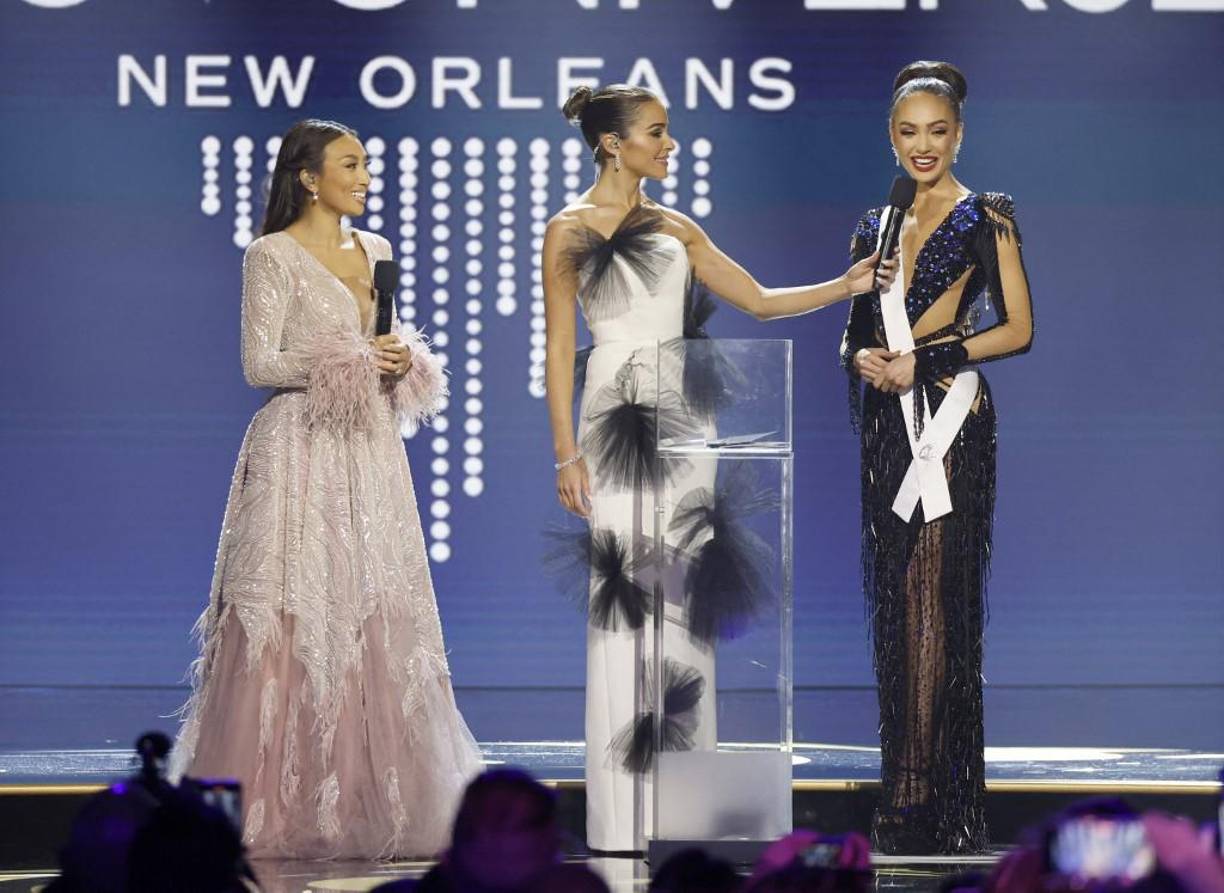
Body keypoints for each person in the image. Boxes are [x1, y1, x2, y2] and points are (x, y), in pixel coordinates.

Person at [543, 84, 896, 853]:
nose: (670, 145)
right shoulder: (566, 230)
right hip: (613, 416)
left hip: (686, 417)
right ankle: (620, 814)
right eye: (657, 133)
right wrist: (565, 451)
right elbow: (558, 347)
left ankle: (679, 806)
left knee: (680, 599)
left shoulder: (676, 226)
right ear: (612, 143)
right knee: (622, 600)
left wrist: (847, 285)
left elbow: (761, 301)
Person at [171, 118, 482, 859]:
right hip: (300, 448)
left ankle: (378, 799)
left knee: (371, 603)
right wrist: (348, 357)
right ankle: (277, 800)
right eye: (351, 164)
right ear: (308, 177)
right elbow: (259, 362)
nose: (366, 176)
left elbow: (384, 338)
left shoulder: (378, 250)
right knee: (298, 602)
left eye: (367, 164)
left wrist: (401, 358)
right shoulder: (270, 254)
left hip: (369, 449)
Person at [839, 61, 1034, 854]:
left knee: (934, 596)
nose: (924, 146)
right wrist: (861, 358)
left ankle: (933, 791)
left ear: (959, 134)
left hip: (949, 423)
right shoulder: (873, 226)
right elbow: (858, 331)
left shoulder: (987, 217)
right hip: (890, 425)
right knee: (898, 601)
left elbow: (1018, 327)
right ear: (892, 136)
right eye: (909, 131)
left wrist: (929, 356)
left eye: (939, 131)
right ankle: (908, 774)